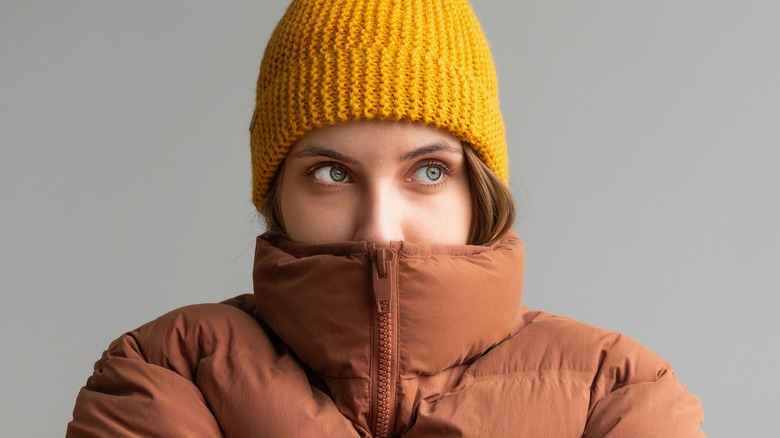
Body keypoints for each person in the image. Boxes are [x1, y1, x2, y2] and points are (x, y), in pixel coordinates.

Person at [67, 0, 705, 436]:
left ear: (478, 190)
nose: (380, 228)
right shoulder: (166, 370)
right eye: (331, 173)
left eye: (428, 171)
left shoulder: (616, 390)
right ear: (276, 193)